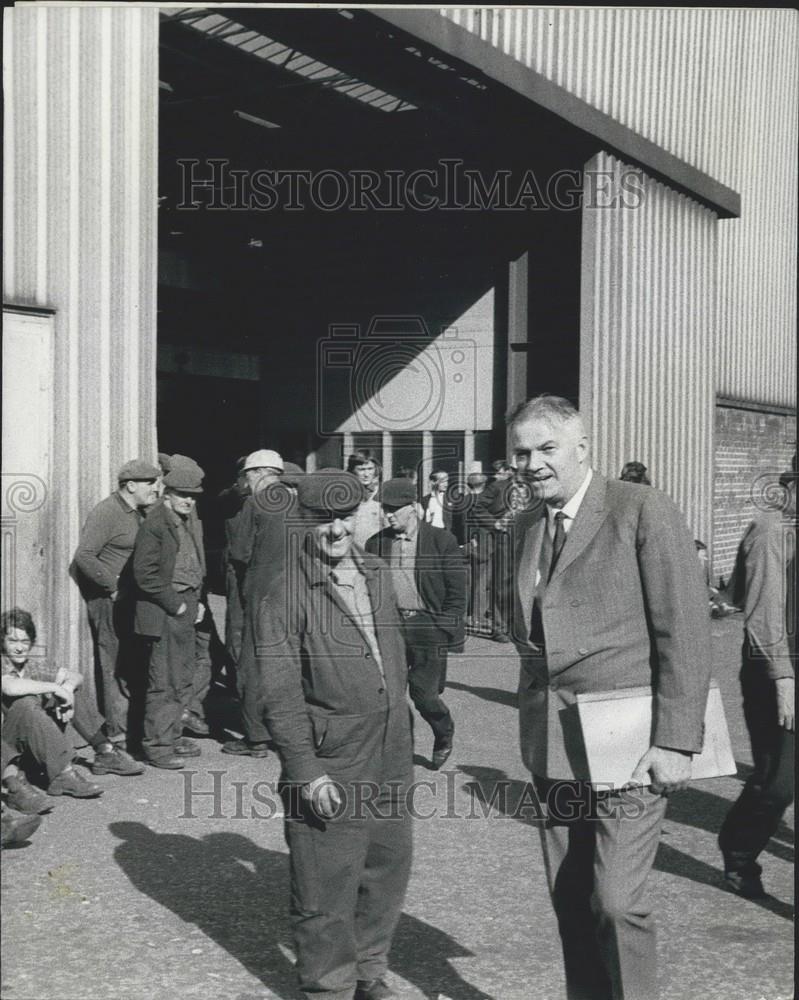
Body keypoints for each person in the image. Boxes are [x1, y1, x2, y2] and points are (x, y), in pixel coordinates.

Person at [507, 394, 711, 1000]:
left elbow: (686, 627)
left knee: (617, 902)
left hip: (628, 736)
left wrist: (676, 739)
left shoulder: (639, 508)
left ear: (582, 448)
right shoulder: (524, 527)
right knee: (571, 898)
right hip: (554, 743)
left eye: (547, 449)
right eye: (522, 452)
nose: (533, 463)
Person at [255, 469, 413, 1000]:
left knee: (385, 869)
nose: (336, 530)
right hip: (332, 758)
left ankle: (368, 973)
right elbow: (279, 695)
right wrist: (307, 771)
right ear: (304, 522)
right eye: (323, 519)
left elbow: (393, 660)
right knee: (326, 887)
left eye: (346, 517)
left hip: (389, 748)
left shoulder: (377, 572)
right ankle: (328, 989)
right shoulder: (282, 593)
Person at [718, 466, 796, 898]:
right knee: (778, 780)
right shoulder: (773, 530)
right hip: (774, 666)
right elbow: (763, 613)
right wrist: (783, 676)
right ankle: (739, 854)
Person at [366, 478, 465, 769]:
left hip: (427, 626)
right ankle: (395, 750)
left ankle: (443, 732)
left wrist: (443, 631)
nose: (388, 514)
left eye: (394, 509)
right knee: (388, 693)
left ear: (413, 507)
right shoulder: (377, 543)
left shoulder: (440, 540)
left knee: (424, 695)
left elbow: (458, 594)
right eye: (385, 508)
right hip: (392, 626)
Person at [71, 457, 160, 767]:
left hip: (132, 602)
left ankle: (132, 733)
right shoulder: (107, 511)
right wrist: (112, 586)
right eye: (149, 483)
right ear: (130, 485)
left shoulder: (136, 513)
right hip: (110, 603)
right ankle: (118, 738)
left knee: (131, 667)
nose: (154, 488)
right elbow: (84, 555)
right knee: (114, 667)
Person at [132, 455, 207, 769]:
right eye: (183, 495)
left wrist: (196, 600)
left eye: (193, 496)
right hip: (166, 609)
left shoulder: (186, 520)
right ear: (167, 493)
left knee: (182, 677)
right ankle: (158, 746)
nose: (189, 500)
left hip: (185, 603)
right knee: (163, 680)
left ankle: (173, 736)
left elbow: (191, 562)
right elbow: (144, 573)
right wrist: (175, 603)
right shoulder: (156, 523)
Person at [1, 609, 103, 799]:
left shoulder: (33, 665)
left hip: (35, 746)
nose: (19, 648)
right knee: (26, 702)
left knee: (71, 690)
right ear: (2, 642)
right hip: (10, 749)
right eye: (12, 641)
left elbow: (76, 676)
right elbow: (9, 687)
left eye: (25, 641)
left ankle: (105, 750)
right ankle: (63, 774)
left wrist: (68, 689)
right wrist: (55, 688)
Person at [225, 448, 287, 758]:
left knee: (251, 664)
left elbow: (240, 552)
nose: (246, 481)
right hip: (293, 595)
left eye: (249, 475)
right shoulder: (295, 501)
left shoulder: (254, 503)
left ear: (260, 473)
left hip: (260, 593)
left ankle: (255, 738)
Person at [347, 450, 386, 548]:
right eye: (361, 469)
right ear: (352, 470)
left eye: (370, 469)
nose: (366, 474)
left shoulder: (383, 495)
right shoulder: (347, 496)